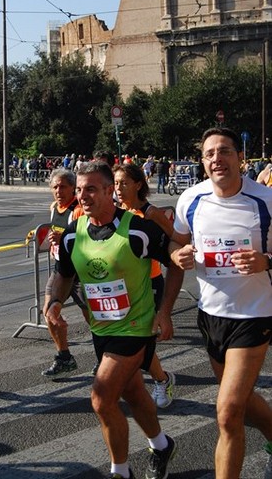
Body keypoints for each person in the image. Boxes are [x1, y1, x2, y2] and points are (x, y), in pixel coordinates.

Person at [46, 161, 177, 479]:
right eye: (79, 190)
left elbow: (176, 258)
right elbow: (63, 275)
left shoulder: (137, 229)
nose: (83, 195)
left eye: (90, 189)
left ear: (109, 191)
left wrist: (165, 312)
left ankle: (120, 471)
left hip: (135, 328)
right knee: (132, 392)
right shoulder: (73, 236)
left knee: (102, 399)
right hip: (101, 328)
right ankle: (161, 445)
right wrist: (53, 304)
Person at [158, 127, 272, 479]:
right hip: (211, 317)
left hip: (254, 315)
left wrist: (266, 261)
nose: (216, 158)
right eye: (209, 154)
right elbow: (175, 246)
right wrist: (179, 256)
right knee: (239, 399)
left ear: (240, 158)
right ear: (203, 162)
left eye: (224, 151)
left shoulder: (265, 201)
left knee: (227, 412)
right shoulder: (190, 200)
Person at [113, 163, 176, 408]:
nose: (118, 188)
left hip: (150, 282)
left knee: (143, 339)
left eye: (124, 183)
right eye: (116, 183)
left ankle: (162, 380)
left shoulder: (151, 214)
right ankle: (132, 379)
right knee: (125, 336)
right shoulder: (114, 212)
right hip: (122, 284)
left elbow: (174, 240)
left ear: (138, 185)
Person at [41, 168, 91, 376]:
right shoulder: (54, 207)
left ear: (73, 188)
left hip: (80, 272)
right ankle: (64, 356)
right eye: (55, 187)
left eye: (63, 186)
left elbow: (90, 240)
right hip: (60, 269)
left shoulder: (78, 210)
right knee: (49, 313)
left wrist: (65, 241)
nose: (59, 190)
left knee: (92, 316)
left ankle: (106, 355)